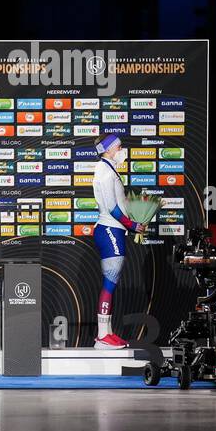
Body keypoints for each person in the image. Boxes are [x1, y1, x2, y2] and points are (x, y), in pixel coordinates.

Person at [90, 133, 147, 348]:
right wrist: (133, 226)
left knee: (111, 283)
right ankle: (103, 336)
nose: (122, 150)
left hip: (113, 231)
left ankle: (107, 332)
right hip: (110, 231)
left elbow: (119, 205)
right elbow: (112, 208)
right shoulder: (104, 172)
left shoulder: (108, 169)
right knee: (109, 283)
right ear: (109, 149)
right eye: (119, 146)